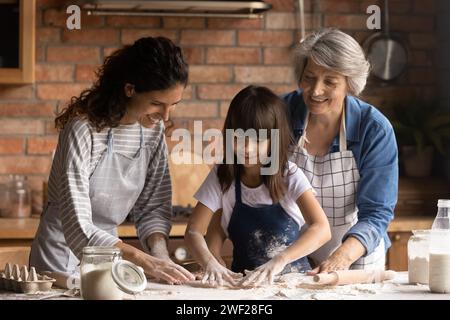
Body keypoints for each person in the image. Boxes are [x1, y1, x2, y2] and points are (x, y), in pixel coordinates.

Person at [30, 37, 195, 285]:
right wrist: (143, 260)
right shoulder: (83, 130)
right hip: (61, 257)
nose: (165, 116)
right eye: (156, 104)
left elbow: (152, 206)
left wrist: (160, 256)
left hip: (110, 257)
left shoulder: (152, 132)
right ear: (129, 89)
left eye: (173, 105)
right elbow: (78, 224)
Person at [185, 85, 331, 287]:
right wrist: (210, 261)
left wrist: (279, 260)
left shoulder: (290, 175)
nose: (247, 148)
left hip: (292, 284)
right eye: (239, 137)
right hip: (244, 286)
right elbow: (193, 231)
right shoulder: (222, 176)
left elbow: (322, 229)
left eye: (257, 140)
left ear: (274, 140)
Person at [284, 28, 398, 273]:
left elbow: (376, 212)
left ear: (350, 83)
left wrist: (341, 259)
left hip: (354, 253)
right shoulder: (281, 113)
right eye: (309, 77)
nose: (315, 91)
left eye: (330, 82)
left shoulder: (374, 129)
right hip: (291, 249)